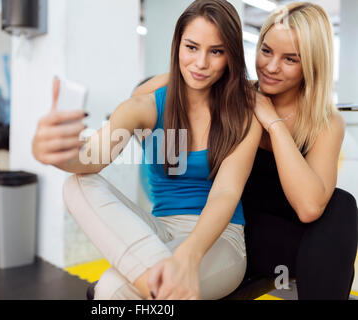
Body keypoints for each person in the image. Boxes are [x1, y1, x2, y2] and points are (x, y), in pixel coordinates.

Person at [32, 0, 263, 300]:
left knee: (111, 290)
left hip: (220, 239)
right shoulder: (144, 106)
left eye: (216, 51)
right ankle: (170, 293)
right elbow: (91, 159)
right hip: (158, 230)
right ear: (177, 46)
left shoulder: (244, 113)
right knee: (76, 183)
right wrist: (61, 154)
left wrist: (188, 257)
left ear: (231, 55)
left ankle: (165, 291)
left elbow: (225, 195)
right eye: (192, 47)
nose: (201, 63)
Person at [133, 2, 358, 300]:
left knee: (341, 205)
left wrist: (274, 124)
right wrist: (207, 70)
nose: (271, 66)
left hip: (284, 236)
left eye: (290, 59)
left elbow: (309, 208)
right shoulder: (235, 94)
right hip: (232, 228)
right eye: (266, 51)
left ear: (312, 65)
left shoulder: (326, 121)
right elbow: (140, 97)